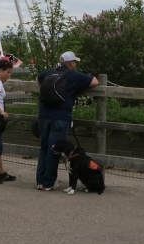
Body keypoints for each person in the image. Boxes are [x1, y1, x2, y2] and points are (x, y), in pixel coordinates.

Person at [35, 51, 98, 191]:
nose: (75, 64)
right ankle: (48, 183)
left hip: (44, 115)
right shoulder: (73, 75)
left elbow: (37, 79)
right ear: (71, 63)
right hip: (61, 116)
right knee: (54, 149)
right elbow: (94, 81)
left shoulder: (49, 73)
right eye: (75, 62)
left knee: (44, 147)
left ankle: (40, 181)